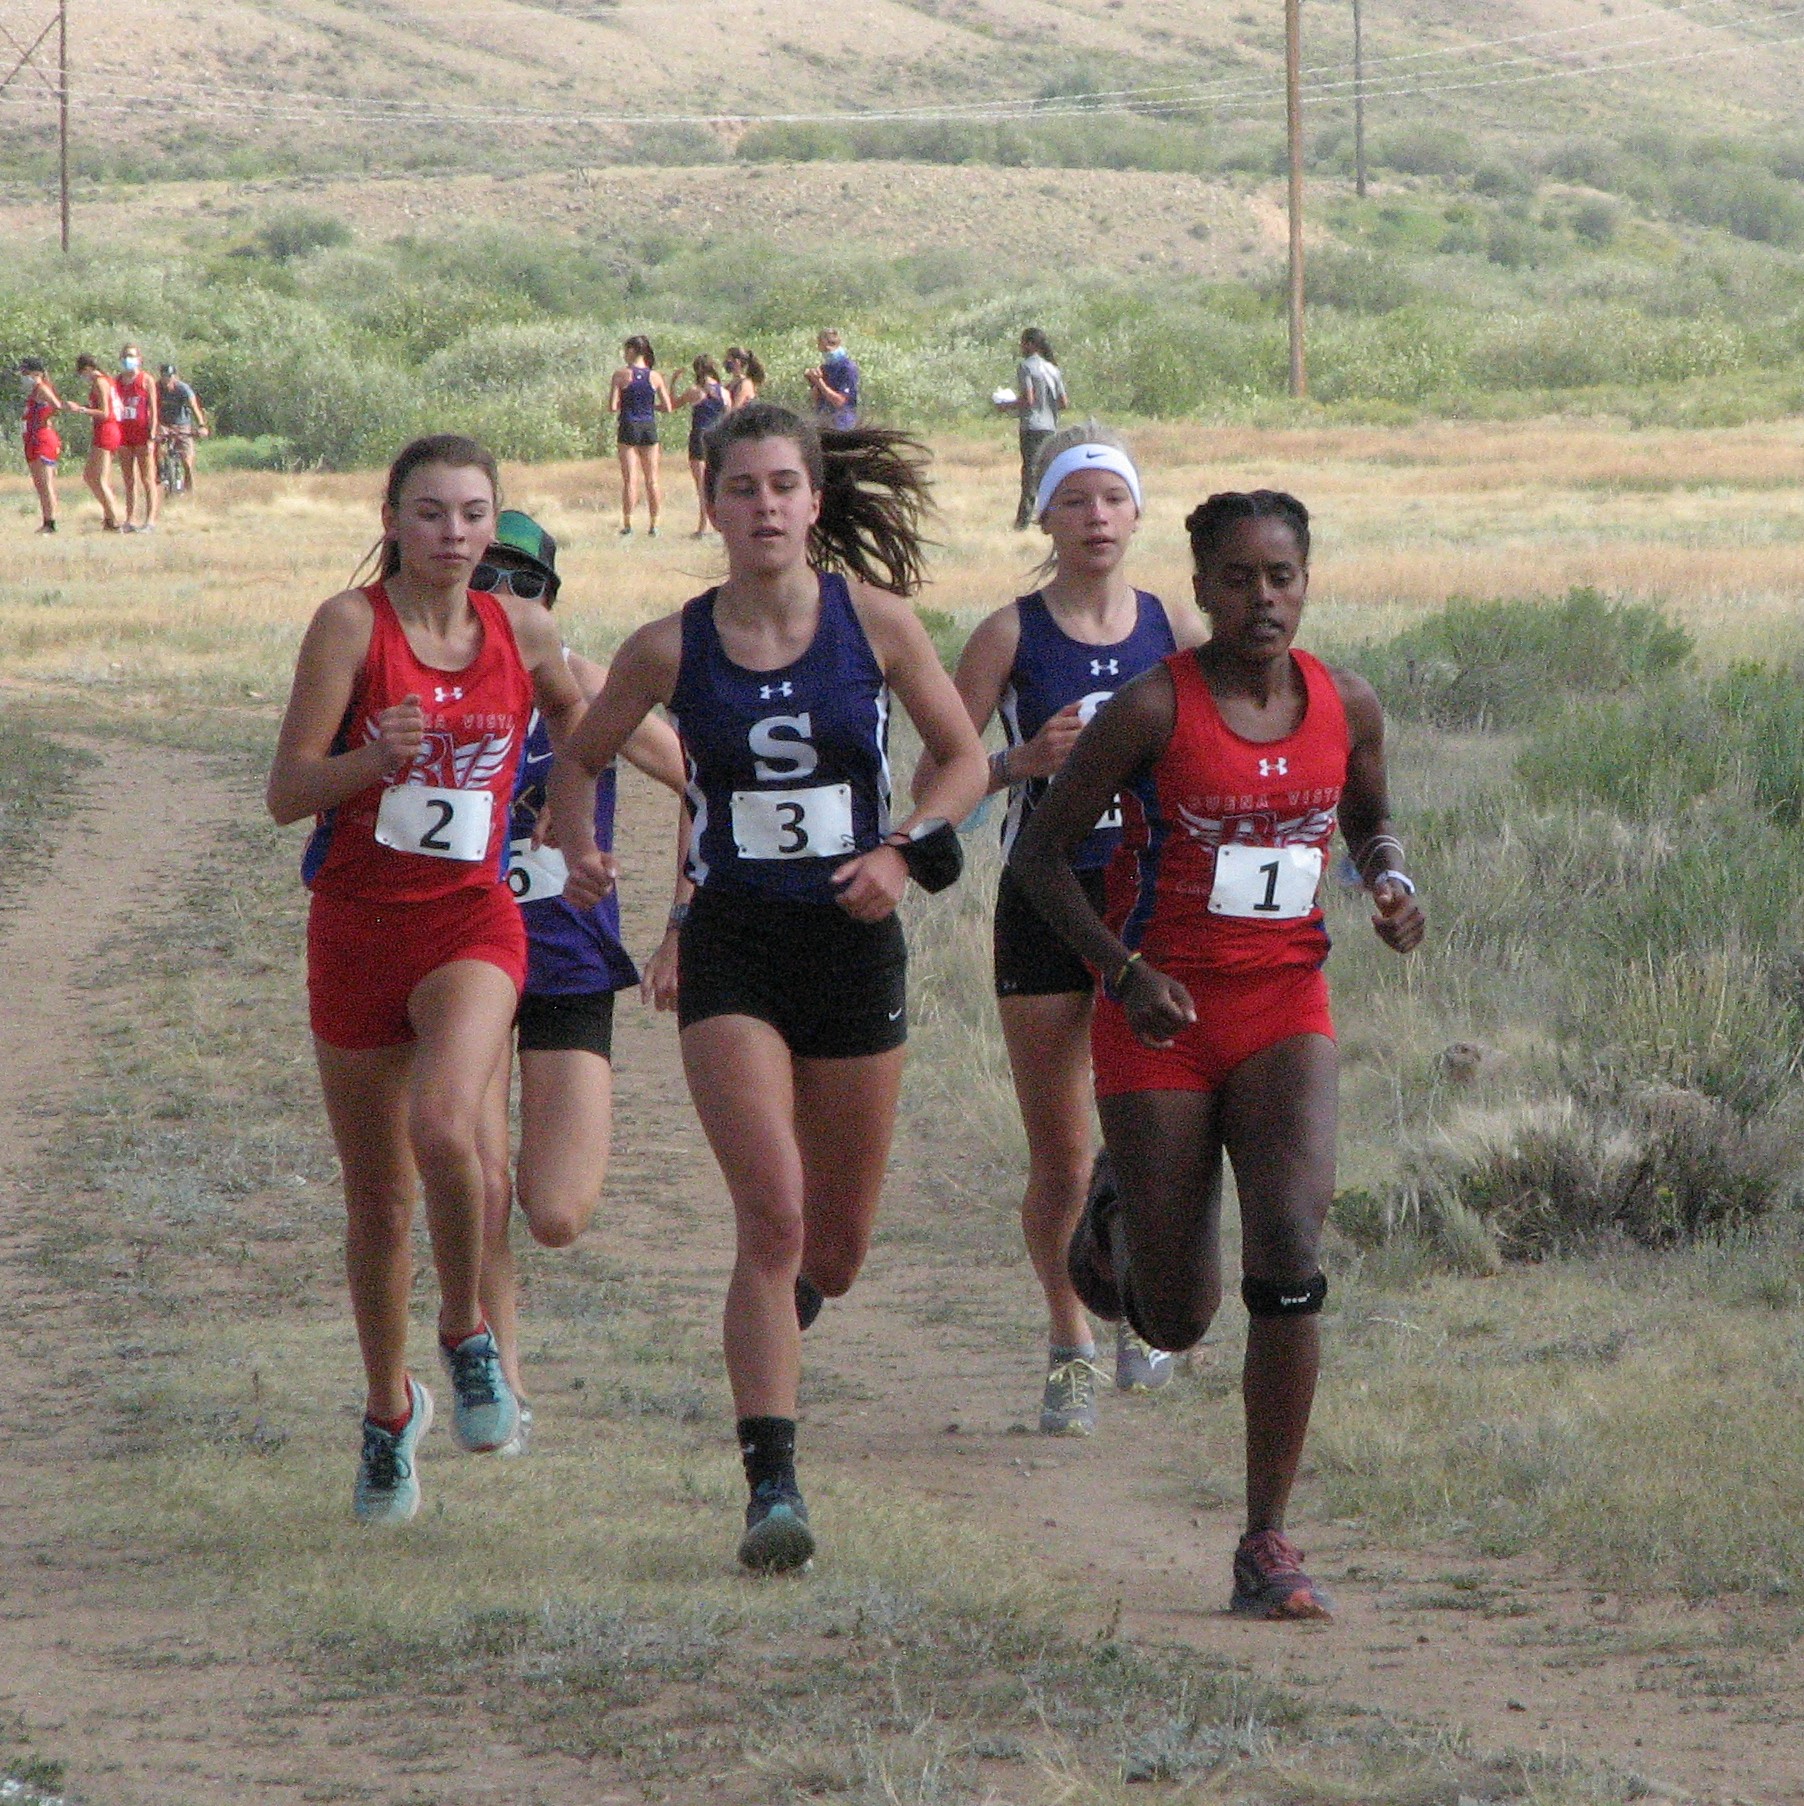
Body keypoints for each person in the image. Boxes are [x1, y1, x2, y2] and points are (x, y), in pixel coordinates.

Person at [549, 400, 987, 1574]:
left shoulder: (877, 624)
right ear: (711, 504)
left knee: (833, 1252)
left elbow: (965, 758)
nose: (765, 509)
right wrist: (579, 847)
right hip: (735, 947)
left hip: (851, 952)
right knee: (773, 1218)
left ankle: (776, 1326)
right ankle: (771, 1486)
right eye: (742, 489)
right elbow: (582, 754)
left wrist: (903, 852)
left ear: (815, 500)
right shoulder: (667, 645)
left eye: (785, 486)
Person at [1009, 489, 1425, 1621]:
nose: (1261, 599)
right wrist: (1121, 972)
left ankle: (1266, 1542)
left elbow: (1369, 821)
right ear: (1199, 590)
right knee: (1178, 1316)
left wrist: (1389, 879)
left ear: (1306, 580)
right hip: (1163, 1021)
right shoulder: (1150, 708)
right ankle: (1113, 1223)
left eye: (1280, 576)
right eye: (1236, 579)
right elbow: (1040, 862)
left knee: (1289, 1254)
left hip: (1287, 1008)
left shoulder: (1346, 702)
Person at [266, 433, 587, 1525]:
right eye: (430, 513)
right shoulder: (350, 626)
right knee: (378, 1204)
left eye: (472, 513)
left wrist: (580, 829)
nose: (453, 535)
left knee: (451, 1127)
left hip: (470, 920)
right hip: (357, 929)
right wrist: (371, 758)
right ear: (393, 520)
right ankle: (385, 1411)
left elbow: (593, 728)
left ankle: (465, 1335)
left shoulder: (524, 628)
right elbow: (286, 792)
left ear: (496, 525)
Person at [916, 426, 1205, 1436]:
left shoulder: (1168, 624)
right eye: (1074, 502)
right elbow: (934, 784)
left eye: (1111, 502)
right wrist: (1019, 763)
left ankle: (1140, 1313)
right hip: (1044, 907)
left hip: (1143, 908)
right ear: (1044, 516)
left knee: (1152, 1136)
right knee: (1061, 1154)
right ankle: (1067, 1339)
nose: (1095, 519)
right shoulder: (1008, 634)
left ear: (1135, 515)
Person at [469, 508, 688, 1435]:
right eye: (489, 579)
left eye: (527, 583)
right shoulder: (426, 684)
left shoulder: (592, 689)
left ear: (553, 602)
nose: (507, 599)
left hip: (565, 960)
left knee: (554, 1210)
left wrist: (683, 917)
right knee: (476, 1174)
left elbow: (708, 783)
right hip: (458, 955)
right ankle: (499, 1375)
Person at [999, 329, 1068, 531]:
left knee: (1030, 472)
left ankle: (1023, 521)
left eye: (1023, 342)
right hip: (1050, 427)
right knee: (1048, 471)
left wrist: (1006, 405)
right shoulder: (1053, 369)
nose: (1021, 346)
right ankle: (1054, 514)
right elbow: (1063, 402)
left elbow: (1028, 399)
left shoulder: (1026, 367)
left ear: (1031, 344)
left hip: (1032, 426)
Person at [608, 335, 673, 537]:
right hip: (648, 426)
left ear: (634, 351)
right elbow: (668, 407)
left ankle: (628, 524)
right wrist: (649, 406)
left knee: (630, 480)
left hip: (628, 425)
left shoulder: (620, 375)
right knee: (652, 479)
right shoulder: (655, 377)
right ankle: (655, 524)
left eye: (626, 350)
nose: (624, 354)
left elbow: (612, 407)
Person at [671, 355, 731, 537]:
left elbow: (673, 405)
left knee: (701, 485)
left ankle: (703, 525)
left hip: (699, 437)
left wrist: (673, 382)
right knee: (718, 482)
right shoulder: (725, 393)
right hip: (718, 439)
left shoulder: (695, 391)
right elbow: (728, 418)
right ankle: (723, 523)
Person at [65, 353, 122, 531]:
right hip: (103, 430)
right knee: (90, 476)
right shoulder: (107, 381)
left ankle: (113, 519)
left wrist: (81, 409)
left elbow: (105, 412)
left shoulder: (100, 382)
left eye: (82, 372)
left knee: (99, 478)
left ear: (88, 368)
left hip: (107, 429)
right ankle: (108, 516)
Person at [114, 343, 159, 532]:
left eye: (131, 356)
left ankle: (150, 520)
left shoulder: (146, 380)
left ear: (140, 359)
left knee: (147, 479)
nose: (128, 359)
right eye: (125, 356)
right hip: (124, 435)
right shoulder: (117, 381)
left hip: (142, 434)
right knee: (128, 480)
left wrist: (152, 434)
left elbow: (154, 410)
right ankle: (130, 519)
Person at [17, 358, 63, 534]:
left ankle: (51, 522)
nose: (24, 377)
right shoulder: (34, 392)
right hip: (32, 439)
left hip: (42, 439)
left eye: (26, 373)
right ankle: (46, 520)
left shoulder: (42, 388)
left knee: (45, 483)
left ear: (37, 373)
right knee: (40, 484)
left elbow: (57, 406)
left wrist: (46, 419)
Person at [156, 362, 209, 495]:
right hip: (163, 424)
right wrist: (155, 426)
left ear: (175, 376)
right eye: (164, 376)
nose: (167, 379)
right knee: (156, 446)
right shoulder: (156, 388)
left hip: (182, 424)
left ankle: (190, 491)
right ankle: (160, 471)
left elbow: (194, 406)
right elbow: (149, 408)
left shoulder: (183, 388)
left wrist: (201, 426)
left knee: (187, 460)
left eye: (170, 376)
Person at [804, 329, 860, 431]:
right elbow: (815, 401)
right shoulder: (825, 368)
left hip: (842, 424)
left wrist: (819, 382)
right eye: (824, 350)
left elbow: (840, 401)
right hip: (824, 422)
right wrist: (813, 381)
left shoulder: (847, 368)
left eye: (828, 349)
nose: (826, 352)